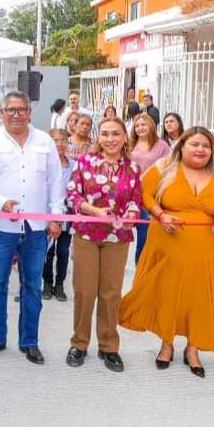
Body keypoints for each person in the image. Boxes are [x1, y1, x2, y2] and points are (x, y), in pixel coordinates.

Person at [120, 127, 214, 378]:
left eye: (206, 146)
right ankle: (166, 345)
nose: (201, 149)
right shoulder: (164, 167)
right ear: (182, 146)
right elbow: (144, 193)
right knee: (169, 294)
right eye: (195, 144)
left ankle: (193, 349)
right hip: (169, 245)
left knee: (200, 298)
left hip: (209, 250)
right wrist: (160, 214)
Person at [0, 92, 64, 365]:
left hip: (37, 227)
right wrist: (1, 202)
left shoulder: (45, 141)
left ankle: (30, 341)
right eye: (10, 110)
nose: (16, 114)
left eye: (21, 110)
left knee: (32, 286)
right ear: (1, 113)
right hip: (1, 226)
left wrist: (56, 216)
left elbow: (55, 181)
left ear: (29, 112)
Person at [66, 117, 144, 372]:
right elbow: (73, 195)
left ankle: (109, 346)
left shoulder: (132, 168)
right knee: (84, 291)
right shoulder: (85, 163)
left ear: (125, 137)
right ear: (98, 137)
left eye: (116, 134)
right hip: (87, 234)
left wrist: (132, 215)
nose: (110, 139)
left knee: (111, 293)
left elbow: (136, 200)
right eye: (106, 134)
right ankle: (79, 343)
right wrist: (93, 211)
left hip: (117, 238)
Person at [129, 112, 171, 262]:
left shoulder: (162, 145)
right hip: (132, 193)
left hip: (152, 194)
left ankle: (141, 265)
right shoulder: (130, 144)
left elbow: (169, 168)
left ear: (151, 126)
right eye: (137, 125)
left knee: (145, 235)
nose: (140, 128)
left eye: (143, 124)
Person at [43, 128, 73, 302]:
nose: (59, 144)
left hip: (67, 215)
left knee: (63, 251)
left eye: (63, 140)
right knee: (47, 251)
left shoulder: (74, 165)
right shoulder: (44, 165)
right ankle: (47, 283)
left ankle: (59, 284)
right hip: (46, 213)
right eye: (55, 140)